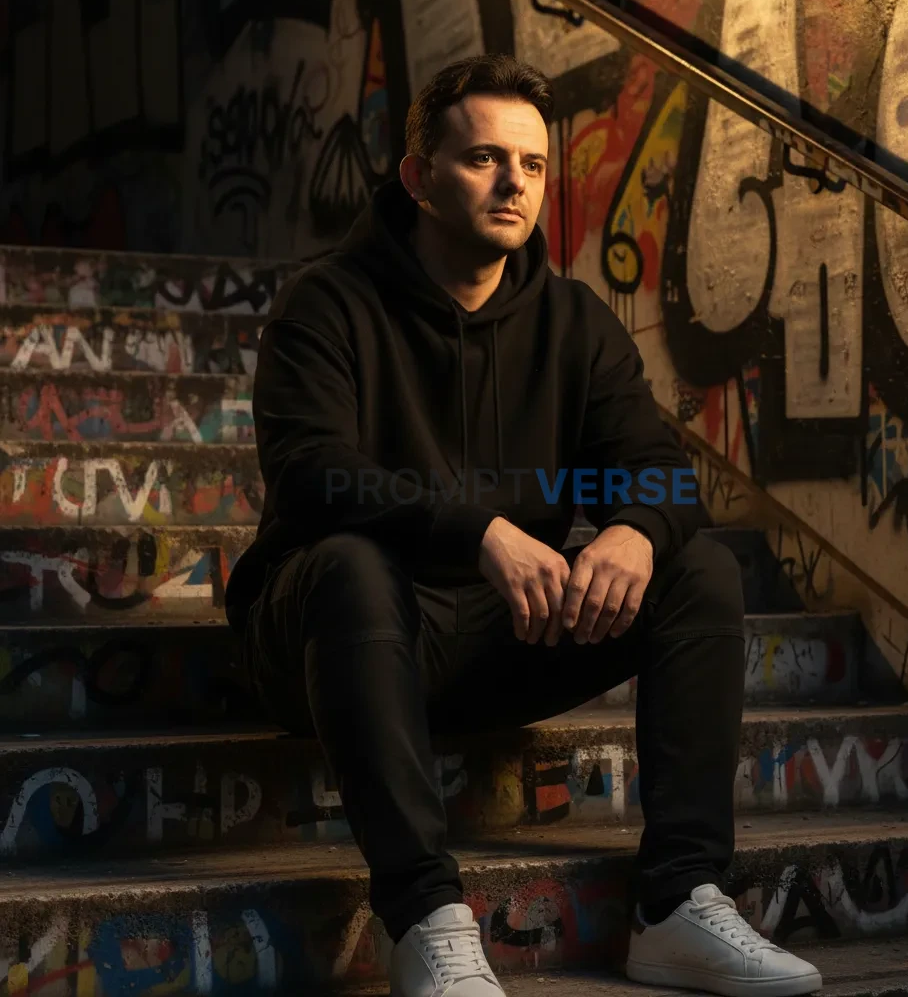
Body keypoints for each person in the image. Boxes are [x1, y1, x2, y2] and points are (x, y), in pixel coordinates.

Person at [225, 53, 822, 997]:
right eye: (484, 159)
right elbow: (312, 475)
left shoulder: (574, 323)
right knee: (349, 565)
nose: (515, 184)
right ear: (418, 176)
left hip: (505, 636)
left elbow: (661, 473)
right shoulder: (327, 303)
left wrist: (633, 530)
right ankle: (424, 917)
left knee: (698, 569)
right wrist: (481, 532)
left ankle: (677, 902)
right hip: (335, 644)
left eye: (533, 164)